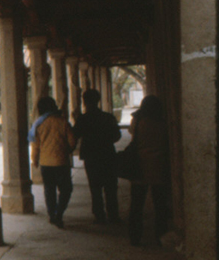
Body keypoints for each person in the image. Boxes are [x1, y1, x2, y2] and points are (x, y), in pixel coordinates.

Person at [127, 94, 171, 246]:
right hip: (159, 166)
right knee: (160, 206)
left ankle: (135, 237)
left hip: (139, 166)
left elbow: (132, 133)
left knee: (136, 205)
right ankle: (160, 236)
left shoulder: (138, 121)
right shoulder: (163, 122)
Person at [73, 89, 121, 224]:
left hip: (91, 156)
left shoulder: (83, 119)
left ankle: (99, 215)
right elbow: (117, 136)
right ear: (98, 100)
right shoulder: (108, 117)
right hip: (107, 155)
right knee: (111, 187)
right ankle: (113, 215)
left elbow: (74, 135)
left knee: (95, 188)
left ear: (85, 102)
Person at [30, 96, 75, 227]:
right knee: (66, 189)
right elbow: (72, 142)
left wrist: (35, 160)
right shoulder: (63, 122)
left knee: (49, 190)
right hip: (61, 162)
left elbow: (35, 146)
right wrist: (66, 151)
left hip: (45, 163)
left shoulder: (38, 124)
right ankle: (59, 213)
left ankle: (52, 215)